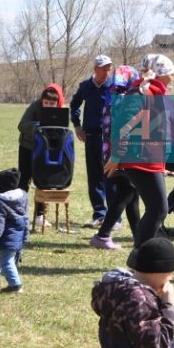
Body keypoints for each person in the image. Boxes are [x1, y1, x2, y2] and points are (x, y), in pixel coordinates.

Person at [103, 54, 174, 248]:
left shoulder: (162, 96)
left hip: (152, 160)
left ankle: (139, 253)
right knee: (158, 210)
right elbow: (122, 123)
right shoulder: (140, 93)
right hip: (138, 159)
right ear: (159, 74)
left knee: (156, 209)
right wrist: (117, 154)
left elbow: (169, 127)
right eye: (170, 73)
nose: (172, 77)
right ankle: (139, 255)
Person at [89, 65, 142, 250]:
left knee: (132, 193)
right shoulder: (128, 99)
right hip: (121, 154)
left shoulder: (113, 95)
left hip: (111, 153)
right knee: (127, 191)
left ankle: (138, 238)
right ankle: (103, 235)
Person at [71, 54, 115, 228]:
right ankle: (99, 214)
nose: (107, 71)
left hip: (110, 138)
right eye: (104, 68)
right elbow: (74, 105)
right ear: (95, 69)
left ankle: (114, 216)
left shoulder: (114, 86)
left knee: (110, 175)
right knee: (95, 176)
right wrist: (77, 126)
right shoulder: (86, 86)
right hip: (91, 137)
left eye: (109, 68)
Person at [17, 84, 66, 228]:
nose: (49, 106)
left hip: (46, 150)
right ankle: (20, 213)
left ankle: (40, 215)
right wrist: (38, 125)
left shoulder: (61, 110)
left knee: (43, 181)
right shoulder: (34, 106)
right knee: (24, 179)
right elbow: (22, 125)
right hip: (28, 147)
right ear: (41, 101)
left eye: (52, 104)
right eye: (46, 103)